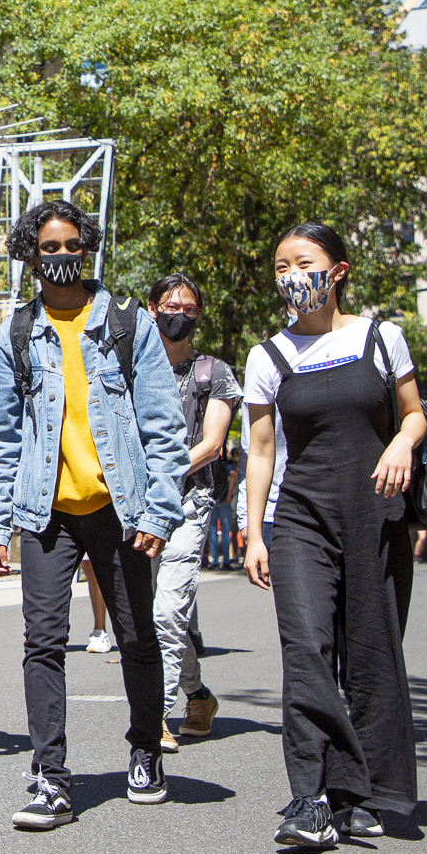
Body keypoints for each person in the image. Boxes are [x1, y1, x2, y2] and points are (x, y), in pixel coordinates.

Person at [0, 200, 187, 831]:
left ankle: (146, 750)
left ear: (88, 249)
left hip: (120, 509)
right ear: (30, 255)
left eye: (74, 246)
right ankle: (51, 776)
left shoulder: (127, 325)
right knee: (42, 642)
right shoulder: (17, 332)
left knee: (135, 636)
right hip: (47, 514)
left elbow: (163, 425)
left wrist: (160, 508)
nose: (64, 257)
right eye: (50, 248)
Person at [241, 223, 424, 848]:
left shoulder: (381, 337)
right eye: (282, 265)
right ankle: (309, 798)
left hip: (375, 515)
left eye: (305, 262)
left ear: (338, 270)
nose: (293, 275)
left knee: (371, 653)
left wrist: (402, 441)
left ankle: (359, 793)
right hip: (298, 520)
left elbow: (415, 413)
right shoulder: (267, 356)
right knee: (306, 647)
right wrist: (254, 531)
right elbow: (260, 452)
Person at [145, 273, 240, 753]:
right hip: (136, 507)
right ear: (150, 309)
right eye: (169, 305)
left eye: (188, 307)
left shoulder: (215, 373)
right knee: (156, 613)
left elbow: (212, 445)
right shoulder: (131, 368)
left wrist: (163, 470)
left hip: (188, 501)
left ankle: (156, 715)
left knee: (167, 610)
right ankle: (198, 696)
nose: (178, 314)